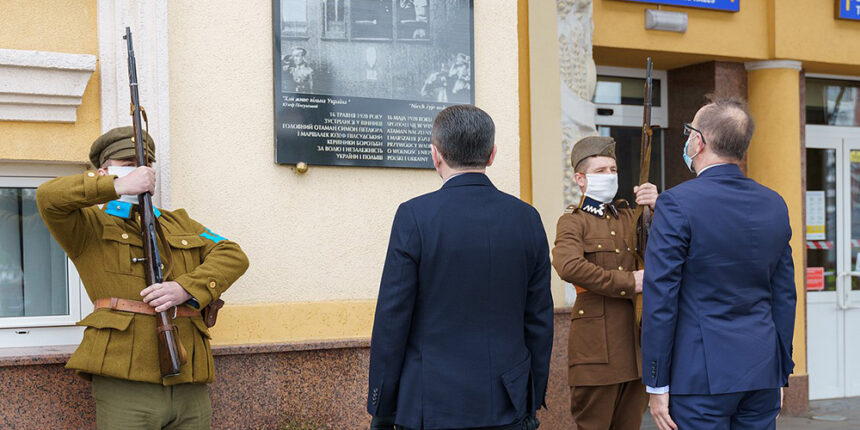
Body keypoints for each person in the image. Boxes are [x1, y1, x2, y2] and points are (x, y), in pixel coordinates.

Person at [36, 127, 250, 429]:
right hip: (127, 379)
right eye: (126, 163)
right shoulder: (89, 225)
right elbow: (48, 197)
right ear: (102, 170)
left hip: (189, 378)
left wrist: (184, 288)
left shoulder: (179, 222)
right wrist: (117, 185)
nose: (139, 170)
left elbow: (232, 254)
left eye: (144, 164)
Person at [367, 105, 554, 430]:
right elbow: (538, 319)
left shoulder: (414, 216)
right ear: (492, 154)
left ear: (435, 154)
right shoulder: (527, 219)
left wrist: (382, 407)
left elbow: (392, 318)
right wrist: (531, 399)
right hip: (507, 401)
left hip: (430, 404)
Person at [642, 97, 796, 430]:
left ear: (699, 141)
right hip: (761, 368)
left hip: (699, 374)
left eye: (688, 133)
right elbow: (784, 295)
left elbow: (661, 299)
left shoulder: (676, 204)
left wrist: (656, 382)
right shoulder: (774, 204)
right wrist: (781, 370)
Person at [551, 136, 658, 429]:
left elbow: (673, 247)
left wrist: (658, 207)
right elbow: (568, 265)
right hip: (596, 353)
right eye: (600, 171)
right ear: (580, 179)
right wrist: (628, 282)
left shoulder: (631, 217)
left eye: (613, 170)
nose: (609, 176)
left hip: (635, 350)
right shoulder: (573, 222)